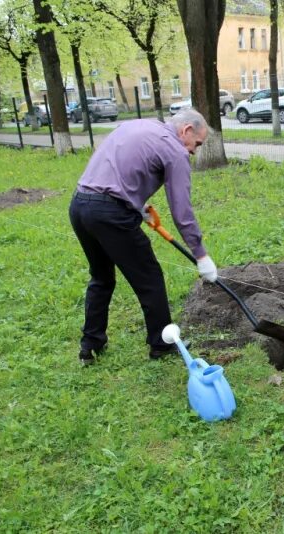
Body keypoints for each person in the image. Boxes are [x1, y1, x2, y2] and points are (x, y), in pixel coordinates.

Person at [69, 109, 218, 366]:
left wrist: (135, 206)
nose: (194, 151)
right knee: (149, 278)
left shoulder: (139, 125)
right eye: (198, 144)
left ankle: (90, 346)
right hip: (110, 214)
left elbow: (114, 166)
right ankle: (161, 344)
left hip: (80, 204)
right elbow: (182, 212)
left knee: (101, 277)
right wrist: (201, 254)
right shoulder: (175, 150)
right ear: (186, 131)